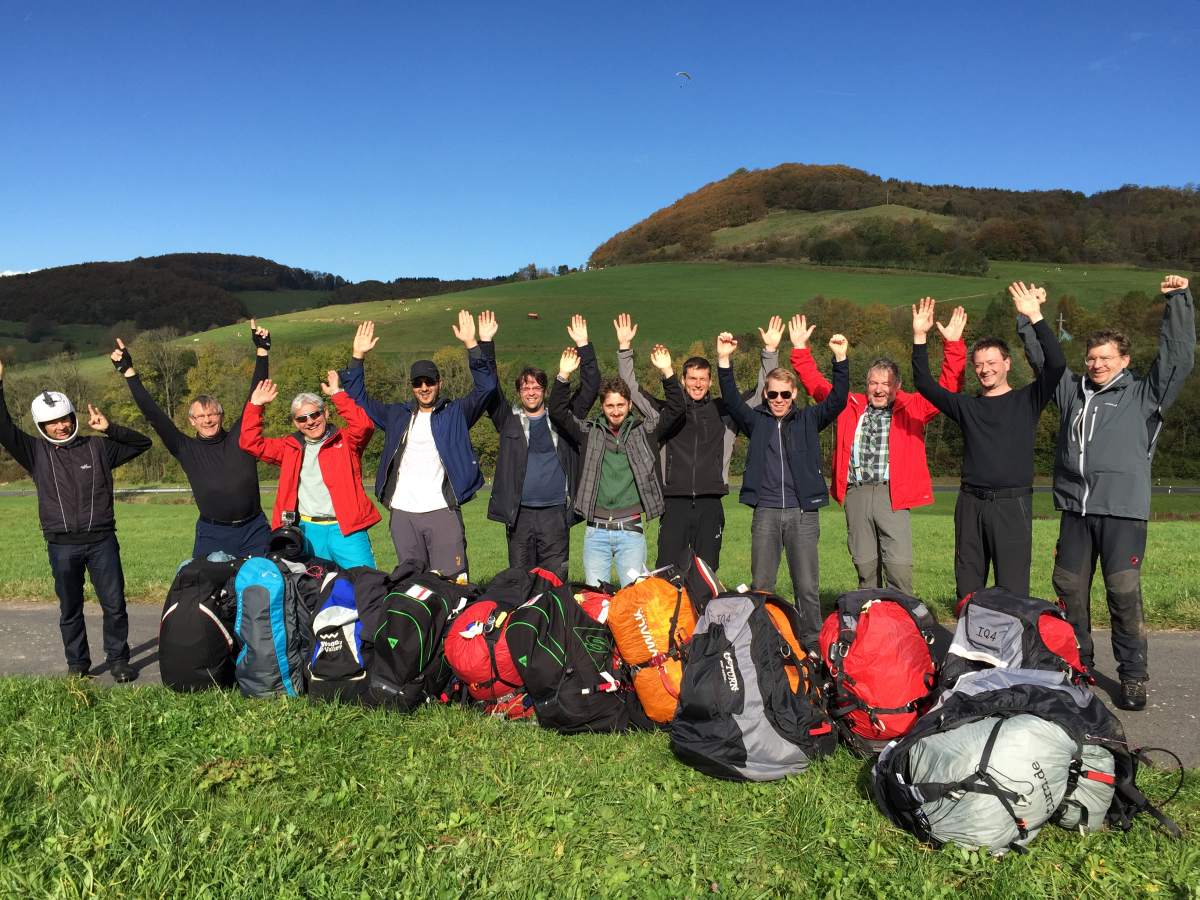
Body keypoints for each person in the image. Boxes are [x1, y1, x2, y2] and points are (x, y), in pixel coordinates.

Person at [1018, 274, 1195, 711]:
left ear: (1124, 360)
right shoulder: (1073, 392)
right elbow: (1044, 361)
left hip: (1122, 513)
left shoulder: (1144, 395)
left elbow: (1177, 357)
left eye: (1106, 358)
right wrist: (1028, 319)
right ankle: (1078, 668)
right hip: (1075, 512)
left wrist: (1177, 301)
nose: (1097, 364)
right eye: (1092, 357)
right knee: (1070, 591)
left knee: (1122, 593)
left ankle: (1132, 676)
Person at [791, 302, 967, 594]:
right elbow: (817, 385)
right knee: (864, 566)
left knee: (898, 567)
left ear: (897, 385)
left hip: (892, 494)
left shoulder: (913, 406)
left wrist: (953, 345)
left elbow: (947, 387)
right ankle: (868, 615)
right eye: (873, 383)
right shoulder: (850, 405)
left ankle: (903, 616)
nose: (878, 389)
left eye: (885, 383)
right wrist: (800, 350)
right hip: (857, 493)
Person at [912, 282, 1066, 601]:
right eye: (979, 364)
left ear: (1007, 364)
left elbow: (1056, 364)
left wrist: (1035, 316)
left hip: (1013, 505)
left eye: (992, 363)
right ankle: (971, 636)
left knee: (1013, 592)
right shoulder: (966, 406)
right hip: (971, 505)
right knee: (968, 590)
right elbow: (924, 384)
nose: (985, 370)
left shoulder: (1028, 399)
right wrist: (919, 336)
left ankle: (1011, 635)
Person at [0, 361, 151, 680]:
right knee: (70, 608)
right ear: (42, 426)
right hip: (61, 545)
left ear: (72, 417)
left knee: (114, 605)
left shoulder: (98, 448)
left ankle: (118, 660)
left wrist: (109, 429)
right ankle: (78, 664)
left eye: (65, 419)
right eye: (52, 423)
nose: (61, 426)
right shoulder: (34, 452)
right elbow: (4, 428)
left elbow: (142, 443)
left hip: (102, 542)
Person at [615, 313, 780, 571]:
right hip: (673, 504)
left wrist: (769, 350)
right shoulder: (666, 412)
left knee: (706, 573)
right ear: (682, 380)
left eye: (703, 379)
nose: (697, 384)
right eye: (692, 378)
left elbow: (762, 393)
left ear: (711, 381)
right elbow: (632, 391)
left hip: (710, 503)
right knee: (667, 573)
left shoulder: (726, 412)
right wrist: (625, 348)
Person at [717, 329, 849, 648]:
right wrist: (723, 359)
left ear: (794, 394)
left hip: (803, 514)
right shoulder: (756, 421)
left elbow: (838, 400)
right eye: (773, 394)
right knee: (762, 585)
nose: (778, 400)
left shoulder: (809, 419)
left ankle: (812, 643)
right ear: (766, 394)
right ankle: (764, 642)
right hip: (766, 512)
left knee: (806, 586)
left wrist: (841, 359)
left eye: (785, 394)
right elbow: (731, 398)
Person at [340, 311, 496, 578]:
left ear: (439, 383)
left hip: (442, 510)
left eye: (429, 382)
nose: (424, 388)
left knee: (453, 584)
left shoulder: (456, 413)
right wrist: (357, 357)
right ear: (411, 386)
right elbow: (358, 401)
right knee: (411, 586)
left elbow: (487, 387)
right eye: (417, 383)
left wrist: (472, 345)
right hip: (403, 513)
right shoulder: (397, 415)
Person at [110, 321, 272, 558]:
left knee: (264, 579)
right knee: (203, 581)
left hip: (254, 530)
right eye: (201, 416)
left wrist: (262, 351)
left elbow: (256, 397)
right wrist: (129, 373)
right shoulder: (185, 448)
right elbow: (154, 415)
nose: (207, 420)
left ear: (221, 416)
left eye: (212, 414)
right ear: (192, 421)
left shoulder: (240, 438)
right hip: (213, 533)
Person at [549, 341, 684, 587]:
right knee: (595, 599)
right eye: (610, 405)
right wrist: (564, 375)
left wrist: (667, 371)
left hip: (631, 531)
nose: (615, 411)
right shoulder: (588, 432)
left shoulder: (644, 431)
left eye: (621, 405)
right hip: (595, 532)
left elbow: (676, 409)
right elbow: (558, 412)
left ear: (630, 405)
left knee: (633, 598)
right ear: (602, 406)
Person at [481, 312, 598, 581]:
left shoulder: (563, 419)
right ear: (519, 392)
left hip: (555, 513)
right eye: (525, 388)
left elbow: (591, 386)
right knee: (520, 581)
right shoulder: (508, 421)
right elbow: (489, 388)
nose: (531, 392)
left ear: (545, 390)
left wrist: (584, 345)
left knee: (554, 582)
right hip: (519, 515)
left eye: (536, 387)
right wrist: (486, 343)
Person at [238, 371, 379, 569]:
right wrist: (255, 406)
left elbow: (364, 426)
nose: (310, 421)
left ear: (325, 413)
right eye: (302, 419)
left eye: (315, 414)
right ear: (296, 423)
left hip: (347, 529)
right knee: (315, 584)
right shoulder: (290, 447)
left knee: (366, 581)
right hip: (308, 530)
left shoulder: (346, 441)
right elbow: (250, 442)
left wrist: (337, 394)